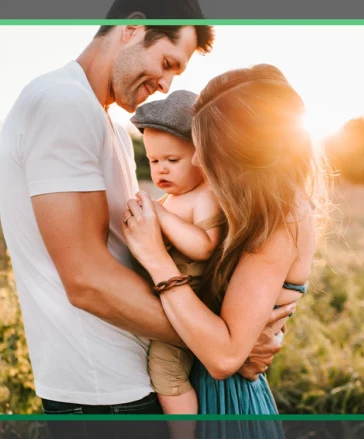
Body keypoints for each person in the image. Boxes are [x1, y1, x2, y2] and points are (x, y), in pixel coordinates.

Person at [0, 0, 295, 425]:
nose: (167, 84)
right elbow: (86, 281)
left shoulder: (111, 126)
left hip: (134, 378)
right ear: (132, 29)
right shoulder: (62, 103)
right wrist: (224, 343)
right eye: (167, 63)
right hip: (104, 392)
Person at [122, 63, 330, 421]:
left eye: (206, 148)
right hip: (198, 381)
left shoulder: (282, 217)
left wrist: (157, 259)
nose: (197, 159)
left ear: (244, 152)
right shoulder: (246, 207)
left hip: (226, 401)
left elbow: (223, 357)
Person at [129, 89, 224, 416]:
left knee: (166, 372)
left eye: (172, 160)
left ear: (201, 157)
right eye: (154, 161)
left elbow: (205, 245)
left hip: (190, 305)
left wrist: (161, 215)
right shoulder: (172, 199)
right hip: (166, 301)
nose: (161, 170)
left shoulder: (204, 195)